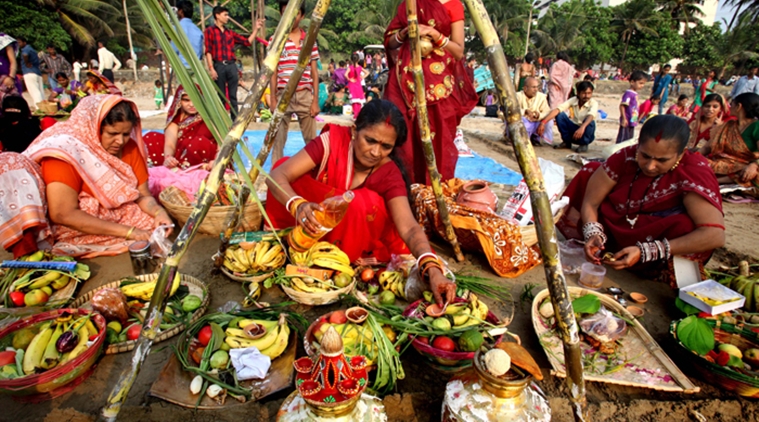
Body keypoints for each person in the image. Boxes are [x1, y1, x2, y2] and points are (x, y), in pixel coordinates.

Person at [265, 100, 456, 306]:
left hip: (351, 242)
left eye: (386, 147)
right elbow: (276, 175)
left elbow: (409, 227)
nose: (375, 152)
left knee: (361, 203)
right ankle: (289, 243)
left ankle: (331, 262)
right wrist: (298, 205)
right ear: (355, 130)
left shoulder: (389, 173)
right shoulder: (332, 142)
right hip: (308, 222)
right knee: (286, 168)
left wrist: (432, 269)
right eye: (370, 140)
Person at [558, 115, 725, 287]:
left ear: (681, 154)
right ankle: (607, 249)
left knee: (685, 224)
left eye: (662, 160)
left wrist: (648, 251)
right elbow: (591, 202)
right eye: (645, 155)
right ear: (638, 145)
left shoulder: (692, 172)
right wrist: (593, 232)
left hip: (658, 238)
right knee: (590, 172)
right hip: (616, 229)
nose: (650, 166)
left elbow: (714, 235)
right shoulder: (626, 157)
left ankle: (656, 270)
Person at [0, 95, 173, 258]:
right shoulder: (66, 151)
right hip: (71, 222)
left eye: (126, 134)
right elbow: (62, 214)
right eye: (112, 134)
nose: (120, 141)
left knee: (152, 225)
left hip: (118, 215)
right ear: (94, 128)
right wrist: (129, 232)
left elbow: (142, 195)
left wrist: (158, 212)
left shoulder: (131, 148)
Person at [384, 0, 478, 183]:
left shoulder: (453, 4)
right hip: (403, 85)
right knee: (402, 140)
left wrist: (435, 35)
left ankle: (435, 196)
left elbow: (458, 51)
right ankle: (402, 192)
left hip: (438, 88)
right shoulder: (410, 3)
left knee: (439, 141)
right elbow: (390, 42)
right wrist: (405, 32)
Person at [267, 0, 320, 165]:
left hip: (304, 94)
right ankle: (275, 177)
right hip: (283, 95)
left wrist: (315, 101)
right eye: (287, 13)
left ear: (302, 15)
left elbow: (314, 72)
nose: (292, 17)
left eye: (296, 13)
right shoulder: (276, 39)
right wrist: (273, 99)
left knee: (313, 142)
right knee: (278, 140)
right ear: (282, 15)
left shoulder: (309, 39)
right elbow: (273, 71)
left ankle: (316, 174)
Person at [144, 85, 218, 169]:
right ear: (179, 100)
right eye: (186, 100)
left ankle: (187, 170)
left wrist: (218, 160)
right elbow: (170, 144)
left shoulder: (211, 118)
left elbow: (223, 143)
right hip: (179, 156)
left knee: (199, 142)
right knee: (152, 137)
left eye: (195, 100)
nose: (191, 104)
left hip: (206, 159)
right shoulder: (177, 118)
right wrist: (168, 158)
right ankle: (172, 168)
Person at [205, 6, 259, 119]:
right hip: (219, 65)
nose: (227, 17)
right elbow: (208, 50)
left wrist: (256, 29)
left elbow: (247, 42)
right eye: (225, 15)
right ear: (217, 15)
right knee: (221, 95)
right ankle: (222, 120)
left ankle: (234, 121)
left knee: (233, 95)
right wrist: (211, 68)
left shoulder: (230, 32)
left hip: (231, 65)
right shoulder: (210, 31)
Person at [700, 93, 759, 187]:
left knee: (750, 173)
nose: (729, 107)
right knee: (696, 164)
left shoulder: (756, 126)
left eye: (732, 104)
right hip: (722, 162)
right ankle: (713, 179)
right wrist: (694, 157)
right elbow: (708, 147)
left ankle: (715, 180)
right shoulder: (729, 125)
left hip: (745, 166)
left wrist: (754, 165)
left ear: (739, 106)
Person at [539, 80, 598, 153]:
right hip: (574, 128)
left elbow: (591, 115)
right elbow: (558, 109)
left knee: (590, 121)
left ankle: (584, 144)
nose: (587, 96)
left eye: (589, 93)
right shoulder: (574, 100)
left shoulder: (593, 103)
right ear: (578, 93)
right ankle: (566, 142)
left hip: (585, 130)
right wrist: (543, 122)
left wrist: (582, 127)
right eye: (584, 93)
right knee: (560, 115)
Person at [517, 76, 552, 145]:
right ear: (525, 88)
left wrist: (539, 115)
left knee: (549, 121)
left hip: (536, 121)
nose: (536, 90)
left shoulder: (541, 97)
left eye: (537, 87)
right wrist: (525, 112)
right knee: (520, 121)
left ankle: (535, 138)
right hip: (524, 120)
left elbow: (547, 112)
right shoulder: (518, 96)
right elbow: (511, 111)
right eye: (533, 87)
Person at [617, 70, 648, 144]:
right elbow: (622, 106)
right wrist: (624, 118)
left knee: (629, 138)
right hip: (627, 120)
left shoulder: (635, 94)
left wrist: (636, 119)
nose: (642, 85)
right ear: (632, 82)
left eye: (643, 84)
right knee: (623, 138)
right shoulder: (628, 94)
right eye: (640, 83)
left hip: (632, 120)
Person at [174, 0, 204, 68]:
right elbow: (201, 52)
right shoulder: (198, 30)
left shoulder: (177, 28)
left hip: (183, 67)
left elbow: (173, 49)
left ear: (181, 11)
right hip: (197, 68)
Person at [16, 36, 46, 106]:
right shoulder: (32, 49)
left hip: (29, 72)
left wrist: (26, 63)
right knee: (40, 92)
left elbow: (25, 54)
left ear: (24, 42)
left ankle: (39, 109)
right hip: (37, 72)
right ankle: (44, 107)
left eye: (19, 42)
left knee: (34, 92)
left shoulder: (25, 49)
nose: (18, 44)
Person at [347, 53, 365, 117]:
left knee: (354, 100)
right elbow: (367, 72)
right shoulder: (360, 67)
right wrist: (362, 77)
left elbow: (345, 75)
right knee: (359, 100)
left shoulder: (350, 67)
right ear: (359, 59)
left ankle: (355, 114)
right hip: (358, 85)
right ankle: (358, 114)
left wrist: (349, 79)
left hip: (352, 85)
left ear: (351, 59)